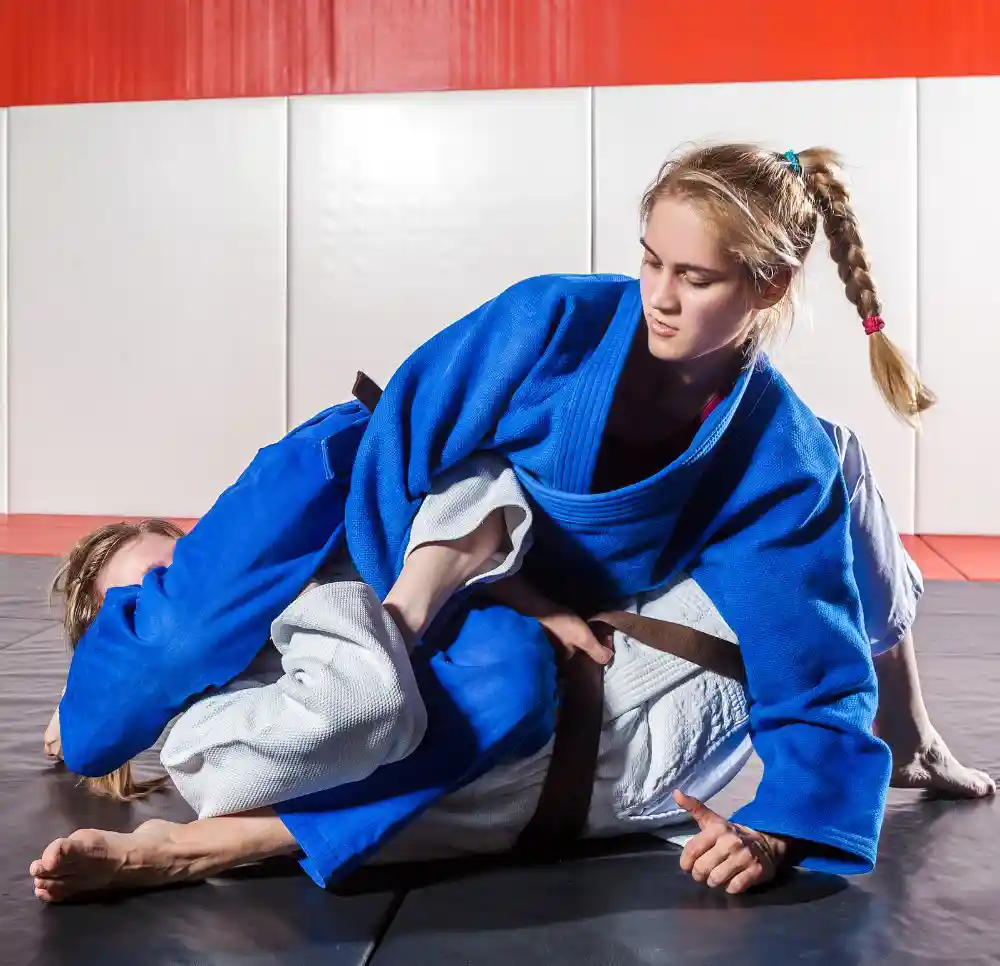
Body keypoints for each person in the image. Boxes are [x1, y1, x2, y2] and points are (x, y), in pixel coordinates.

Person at [34, 142, 994, 905]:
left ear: (768, 289)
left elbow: (805, 647)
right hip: (407, 529)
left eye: (694, 278)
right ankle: (101, 707)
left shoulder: (775, 453)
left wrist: (787, 820)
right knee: (184, 677)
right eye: (651, 261)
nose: (659, 296)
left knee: (514, 680)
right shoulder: (548, 324)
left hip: (542, 584)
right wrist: (486, 593)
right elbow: (400, 459)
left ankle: (907, 735)